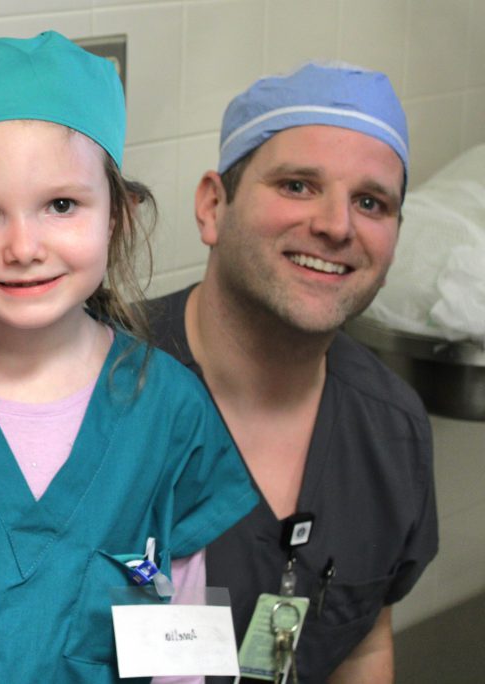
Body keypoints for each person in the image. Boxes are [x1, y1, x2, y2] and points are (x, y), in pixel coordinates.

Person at [0, 32, 258, 683]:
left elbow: (181, 629)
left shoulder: (167, 408)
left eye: (61, 205)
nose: (23, 246)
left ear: (116, 216)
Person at [146, 62, 439, 683]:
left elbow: (360, 641)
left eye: (370, 202)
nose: (337, 226)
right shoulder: (97, 390)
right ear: (213, 206)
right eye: (299, 186)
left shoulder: (390, 431)